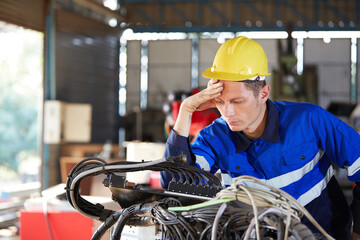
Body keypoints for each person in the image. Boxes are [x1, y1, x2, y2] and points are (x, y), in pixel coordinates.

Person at [160, 36, 360, 239]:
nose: (227, 112)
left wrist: (357, 231)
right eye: (220, 101)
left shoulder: (309, 120)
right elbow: (174, 185)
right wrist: (186, 109)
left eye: (237, 101)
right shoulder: (215, 137)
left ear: (263, 94)